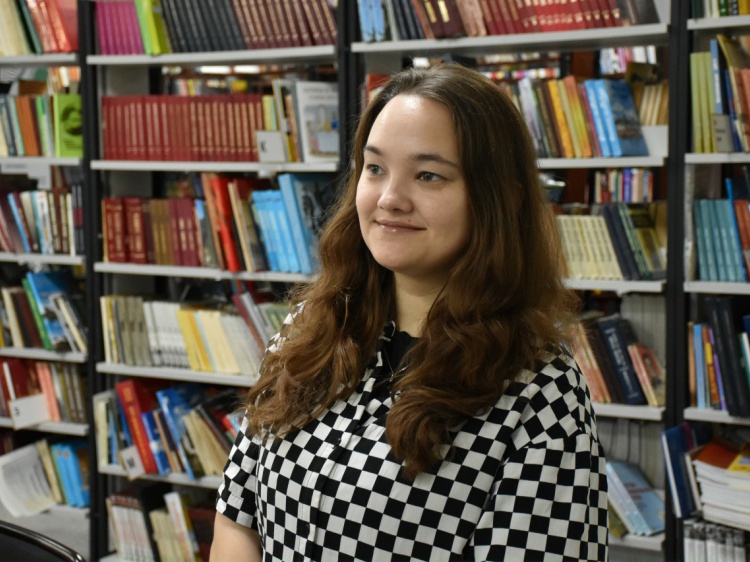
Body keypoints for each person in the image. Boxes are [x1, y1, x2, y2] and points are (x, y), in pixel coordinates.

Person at [211, 63, 608, 562]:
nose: (390, 199)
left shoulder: (539, 391)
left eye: (428, 175)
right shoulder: (311, 327)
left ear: (498, 198)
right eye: (375, 168)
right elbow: (238, 516)